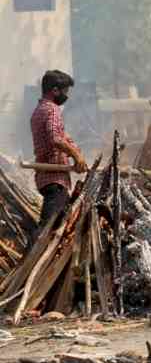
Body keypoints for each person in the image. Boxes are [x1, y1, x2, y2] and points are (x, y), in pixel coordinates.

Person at [29, 70, 88, 244]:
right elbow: (55, 139)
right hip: (54, 179)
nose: (66, 96)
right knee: (48, 228)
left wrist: (76, 150)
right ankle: (30, 262)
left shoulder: (39, 110)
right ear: (55, 90)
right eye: (65, 91)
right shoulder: (53, 110)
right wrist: (76, 156)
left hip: (47, 177)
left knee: (60, 223)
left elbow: (60, 136)